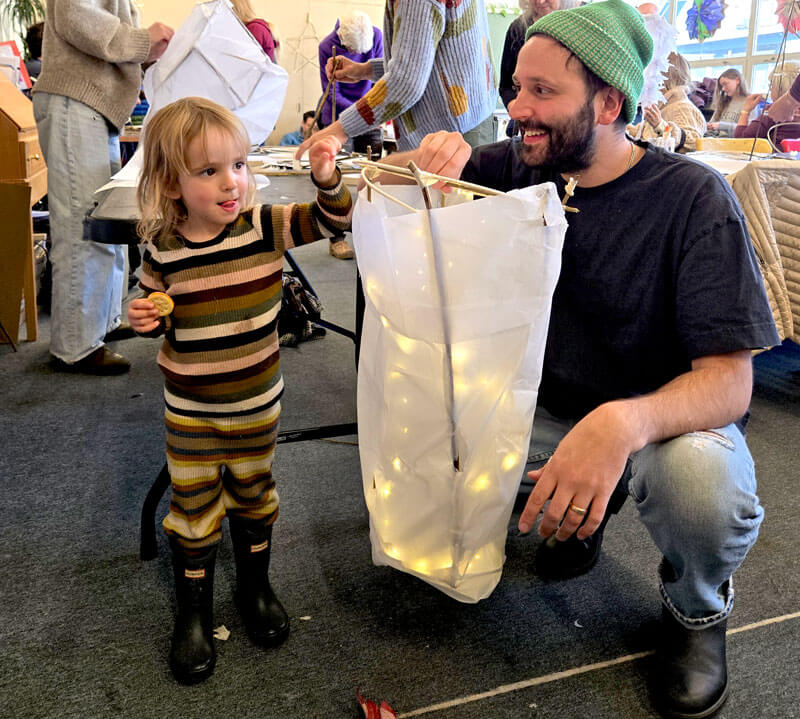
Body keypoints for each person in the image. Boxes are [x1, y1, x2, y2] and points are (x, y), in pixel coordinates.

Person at [381, 1, 778, 716]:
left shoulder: (693, 200)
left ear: (607, 102)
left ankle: (695, 610)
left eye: (541, 91)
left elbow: (730, 382)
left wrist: (620, 426)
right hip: (547, 408)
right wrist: (420, 156)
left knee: (701, 483)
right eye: (516, 88)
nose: (516, 108)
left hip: (660, 425)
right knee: (429, 414)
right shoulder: (520, 167)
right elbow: (396, 179)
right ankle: (578, 509)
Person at [127, 97, 351, 685]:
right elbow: (157, 309)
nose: (233, 182)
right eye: (209, 171)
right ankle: (194, 612)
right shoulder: (164, 250)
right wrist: (146, 317)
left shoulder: (264, 227)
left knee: (255, 493)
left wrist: (328, 178)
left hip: (257, 405)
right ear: (171, 185)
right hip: (191, 411)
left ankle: (255, 586)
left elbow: (334, 221)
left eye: (240, 165)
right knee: (193, 507)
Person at [32, 1, 173, 374]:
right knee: (82, 228)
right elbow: (77, 18)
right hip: (76, 101)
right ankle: (75, 346)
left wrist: (149, 51)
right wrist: (144, 42)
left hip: (94, 105)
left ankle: (102, 323)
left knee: (104, 222)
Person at [295, 0, 498, 158]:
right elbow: (424, 60)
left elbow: (406, 82)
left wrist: (341, 128)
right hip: (469, 125)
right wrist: (364, 70)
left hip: (451, 136)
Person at [318, 11, 383, 260]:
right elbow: (330, 91)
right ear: (343, 42)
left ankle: (371, 232)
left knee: (374, 172)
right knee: (335, 179)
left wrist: (371, 110)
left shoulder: (376, 36)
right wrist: (355, 115)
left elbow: (381, 78)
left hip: (371, 109)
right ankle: (337, 238)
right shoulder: (327, 46)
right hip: (339, 113)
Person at [499, 0, 578, 115]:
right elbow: (506, 87)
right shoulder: (518, 29)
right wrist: (517, 109)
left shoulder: (585, 24)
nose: (540, 2)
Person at [628, 52, 707, 152]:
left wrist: (660, 125)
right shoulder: (664, 106)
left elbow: (693, 143)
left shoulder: (683, 107)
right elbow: (643, 132)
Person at [734, 61, 800, 147]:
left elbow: (741, 142)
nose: (770, 90)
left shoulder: (775, 110)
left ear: (779, 87)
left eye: (771, 86)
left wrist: (745, 110)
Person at [707, 68, 752, 136]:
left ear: (737, 80)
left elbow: (749, 129)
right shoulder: (723, 102)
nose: (723, 89)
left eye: (725, 84)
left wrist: (721, 126)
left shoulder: (750, 102)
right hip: (717, 141)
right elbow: (712, 123)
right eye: (722, 86)